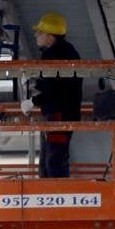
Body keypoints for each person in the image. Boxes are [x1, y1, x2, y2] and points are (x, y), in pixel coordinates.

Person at [21, 11, 82, 178]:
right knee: (49, 160)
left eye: (39, 32)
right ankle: (52, 194)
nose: (36, 35)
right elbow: (53, 84)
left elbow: (56, 90)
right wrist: (35, 81)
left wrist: (33, 100)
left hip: (60, 115)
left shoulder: (56, 54)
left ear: (50, 36)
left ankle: (57, 196)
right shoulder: (63, 52)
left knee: (53, 160)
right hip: (60, 113)